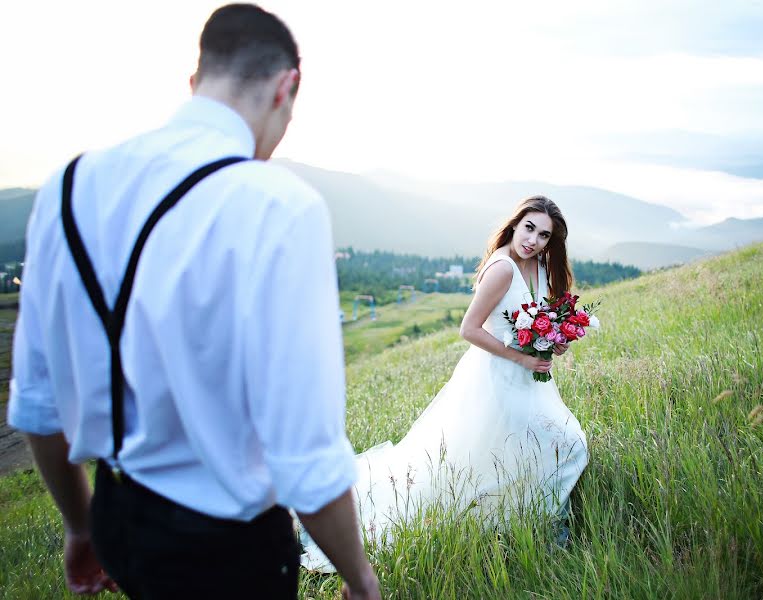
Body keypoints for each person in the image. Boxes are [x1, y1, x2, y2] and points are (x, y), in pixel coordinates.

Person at [7, 4, 380, 599]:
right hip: (226, 549)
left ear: (196, 81)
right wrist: (359, 580)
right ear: (289, 87)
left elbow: (36, 402)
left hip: (118, 515)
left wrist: (81, 526)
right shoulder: (281, 207)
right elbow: (304, 453)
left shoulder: (68, 186)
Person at [300, 195, 589, 571]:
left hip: (527, 376)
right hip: (496, 376)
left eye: (543, 235)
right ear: (515, 224)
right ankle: (538, 527)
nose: (532, 240)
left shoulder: (534, 265)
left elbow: (533, 318)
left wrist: (552, 339)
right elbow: (468, 329)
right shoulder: (502, 268)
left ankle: (532, 518)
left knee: (549, 444)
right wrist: (521, 356)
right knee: (559, 443)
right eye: (529, 228)